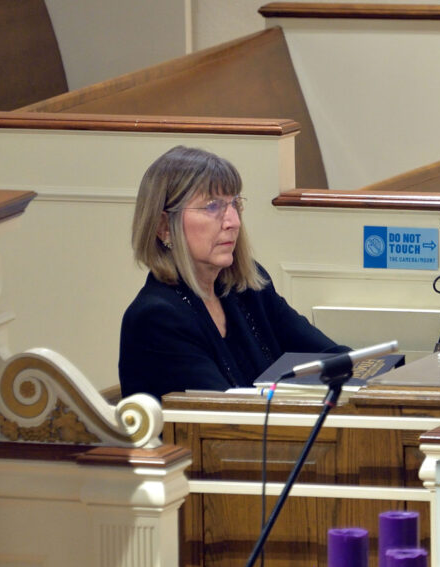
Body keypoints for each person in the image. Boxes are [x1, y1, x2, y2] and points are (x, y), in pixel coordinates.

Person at [119, 146, 348, 399]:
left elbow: (329, 356)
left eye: (234, 204)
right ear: (164, 226)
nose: (233, 222)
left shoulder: (248, 287)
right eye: (212, 207)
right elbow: (224, 415)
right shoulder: (156, 317)